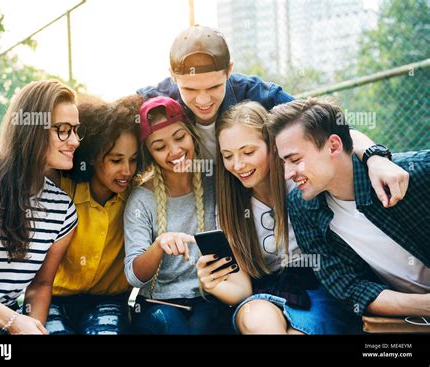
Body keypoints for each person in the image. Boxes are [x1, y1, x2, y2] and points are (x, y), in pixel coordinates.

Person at [137, 25, 409, 208]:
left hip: (252, 204)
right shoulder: (154, 103)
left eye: (214, 87)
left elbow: (331, 129)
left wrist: (375, 157)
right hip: (193, 206)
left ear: (229, 71)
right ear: (173, 78)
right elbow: (107, 131)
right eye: (190, 90)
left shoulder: (259, 95)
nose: (204, 100)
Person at [196, 101, 361, 334]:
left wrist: (376, 158)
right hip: (262, 296)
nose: (238, 165)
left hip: (320, 286)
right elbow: (242, 291)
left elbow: (346, 142)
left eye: (248, 152)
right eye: (228, 156)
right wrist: (213, 284)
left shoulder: (300, 182)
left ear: (272, 146)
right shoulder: (229, 206)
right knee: (259, 322)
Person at [269, 97, 429, 319]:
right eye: (283, 163)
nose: (287, 174)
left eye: (295, 160)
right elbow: (349, 288)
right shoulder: (302, 206)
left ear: (333, 146)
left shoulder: (416, 173)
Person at [0, 80, 79, 334]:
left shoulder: (62, 211)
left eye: (76, 130)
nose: (75, 141)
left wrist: (32, 326)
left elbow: (41, 284)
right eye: (63, 130)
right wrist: (13, 322)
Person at [123, 96, 231, 334]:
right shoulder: (142, 199)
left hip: (209, 298)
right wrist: (159, 244)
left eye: (180, 137)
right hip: (156, 304)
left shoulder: (216, 183)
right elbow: (134, 276)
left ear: (192, 134)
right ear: (150, 154)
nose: (175, 151)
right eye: (160, 147)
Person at [44, 95, 143, 335]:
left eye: (133, 160)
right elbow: (25, 157)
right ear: (92, 156)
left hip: (108, 300)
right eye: (116, 160)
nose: (127, 170)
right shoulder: (62, 186)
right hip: (54, 298)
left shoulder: (136, 194)